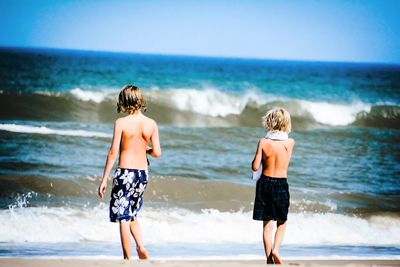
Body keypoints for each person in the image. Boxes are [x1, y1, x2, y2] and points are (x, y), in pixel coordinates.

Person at [98, 85, 161, 260]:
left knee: (123, 217)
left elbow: (112, 153)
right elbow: (157, 152)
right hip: (142, 175)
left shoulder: (121, 123)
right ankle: (140, 246)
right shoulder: (151, 124)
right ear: (140, 101)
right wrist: (145, 150)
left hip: (125, 173)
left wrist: (104, 180)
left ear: (124, 102)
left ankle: (127, 258)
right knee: (132, 214)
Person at [251, 107, 295, 264]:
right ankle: (276, 249)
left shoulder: (263, 142)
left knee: (267, 225)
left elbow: (255, 167)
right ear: (286, 123)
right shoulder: (290, 143)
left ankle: (269, 259)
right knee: (282, 221)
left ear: (269, 121)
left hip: (265, 184)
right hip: (281, 184)